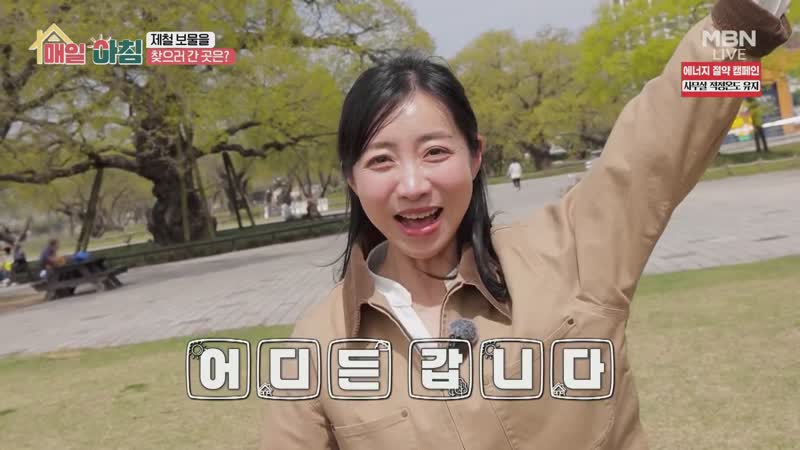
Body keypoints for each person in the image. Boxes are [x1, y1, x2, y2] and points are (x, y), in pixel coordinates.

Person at [261, 2, 790, 449]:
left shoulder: (568, 253)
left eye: (435, 151)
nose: (413, 184)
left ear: (475, 156)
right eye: (381, 160)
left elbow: (658, 141)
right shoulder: (316, 346)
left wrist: (743, 25)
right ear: (351, 178)